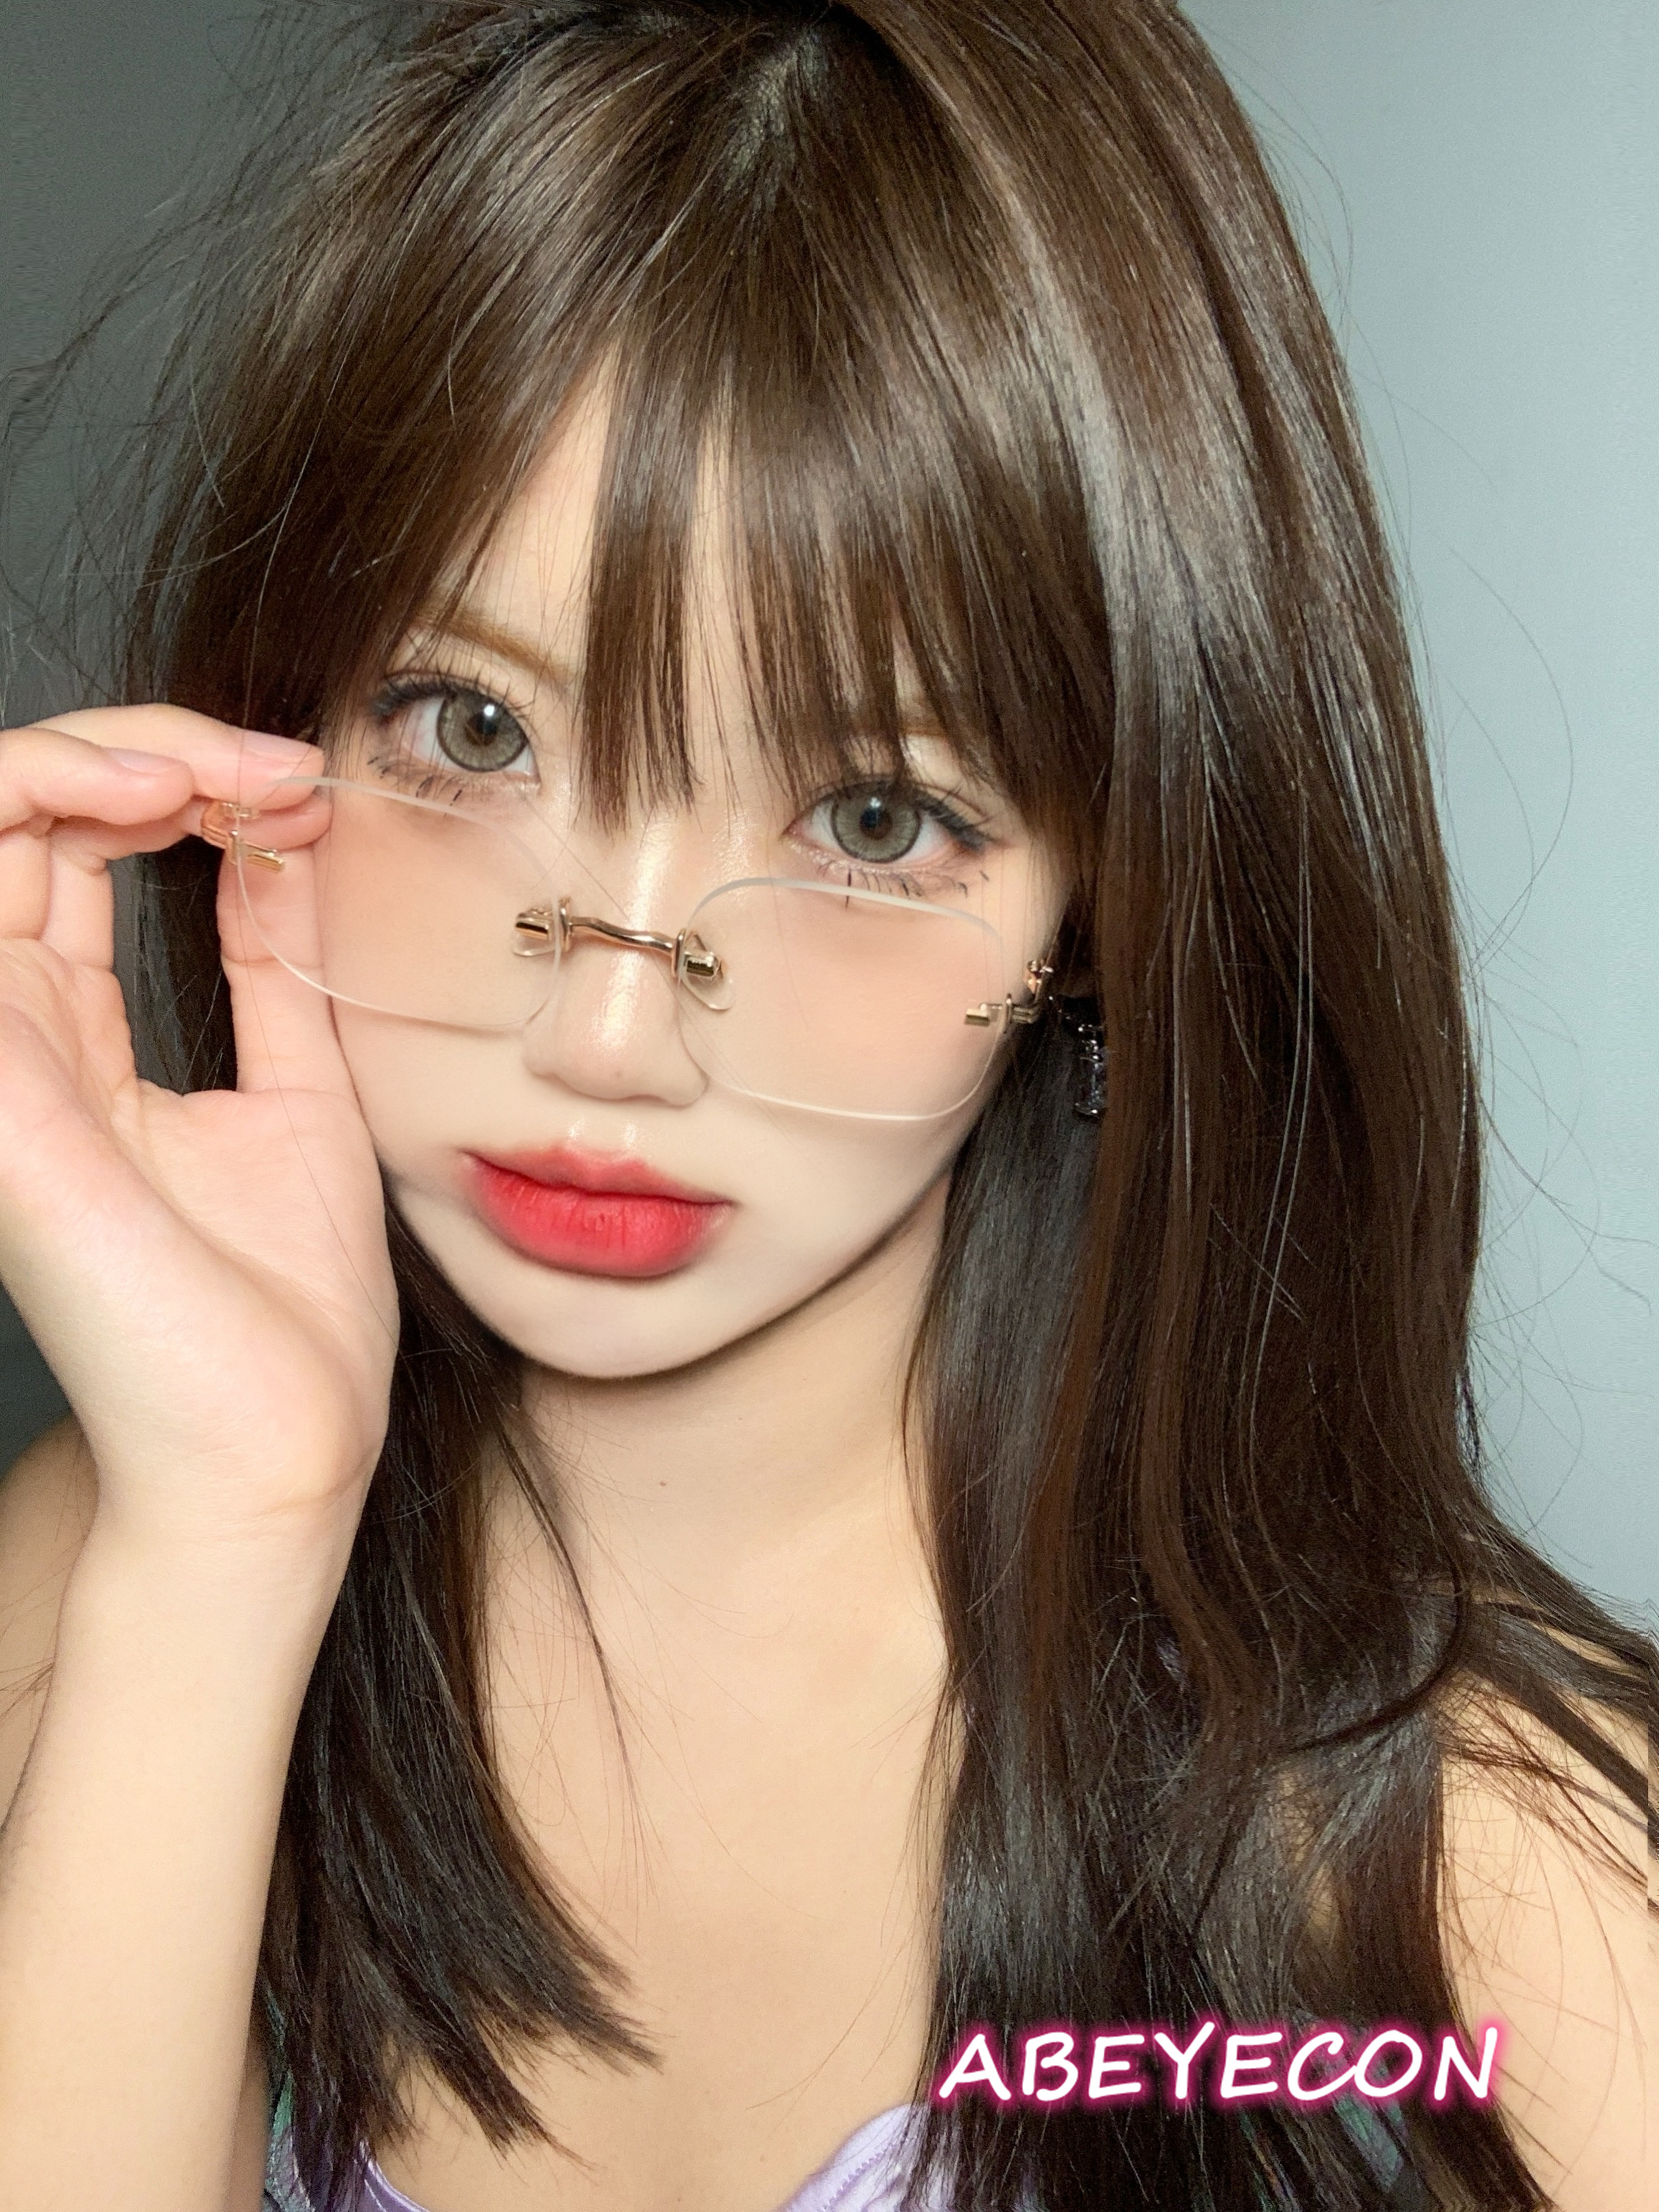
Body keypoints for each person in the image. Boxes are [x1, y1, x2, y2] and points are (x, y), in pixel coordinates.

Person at [0, 4, 1650, 2209]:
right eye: (470, 730)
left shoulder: (1494, 1881)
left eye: (873, 816)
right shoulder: (115, 1576)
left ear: (1107, 894)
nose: (609, 1037)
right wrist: (229, 1529)